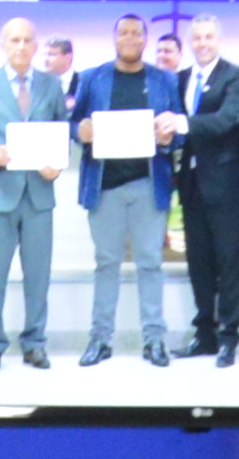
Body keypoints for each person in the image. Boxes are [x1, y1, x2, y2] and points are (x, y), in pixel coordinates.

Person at [0, 32, 75, 371]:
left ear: (36, 46)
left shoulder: (51, 85)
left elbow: (62, 129)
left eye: (27, 40)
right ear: (3, 45)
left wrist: (59, 162)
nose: (21, 46)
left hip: (39, 193)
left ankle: (34, 343)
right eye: (14, 40)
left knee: (38, 275)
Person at [73, 18, 184, 365]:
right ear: (114, 37)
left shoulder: (164, 79)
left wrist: (170, 136)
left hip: (149, 184)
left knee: (150, 263)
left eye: (137, 33)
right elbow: (73, 125)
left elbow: (179, 130)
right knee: (106, 264)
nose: (130, 38)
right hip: (104, 185)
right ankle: (100, 340)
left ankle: (154, 341)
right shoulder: (93, 77)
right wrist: (82, 131)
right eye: (124, 32)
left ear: (146, 39)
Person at [171, 19, 239, 364]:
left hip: (226, 184)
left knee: (228, 261)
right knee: (199, 263)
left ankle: (228, 337)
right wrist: (168, 131)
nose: (202, 43)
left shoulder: (236, 77)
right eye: (197, 38)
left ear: (220, 39)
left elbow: (228, 119)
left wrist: (182, 124)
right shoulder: (180, 79)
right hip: (191, 184)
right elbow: (174, 126)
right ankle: (204, 334)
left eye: (209, 37)